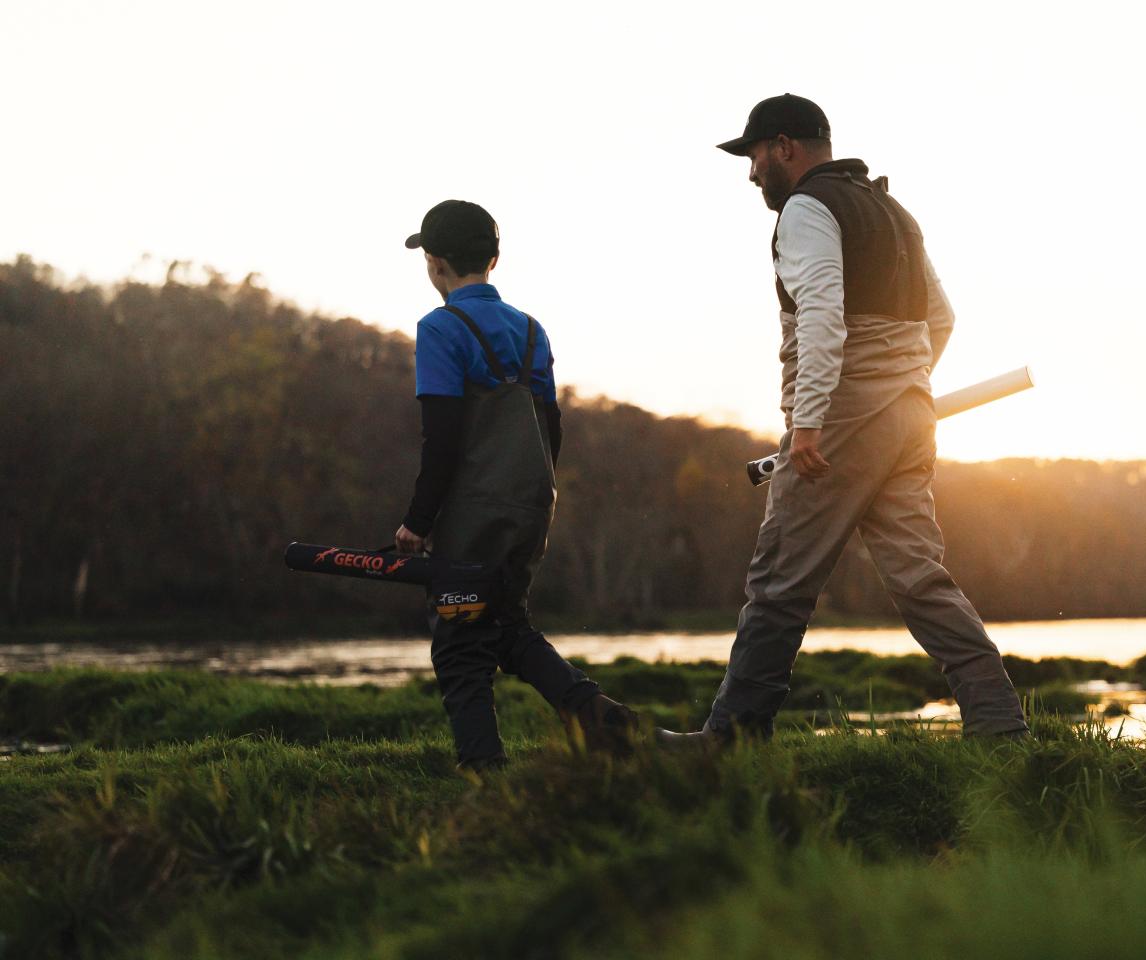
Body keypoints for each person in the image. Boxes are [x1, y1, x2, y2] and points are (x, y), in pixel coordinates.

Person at [660, 95, 1029, 745]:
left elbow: (823, 313)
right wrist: (904, 388)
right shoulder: (893, 211)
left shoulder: (806, 208)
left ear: (784, 147)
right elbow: (940, 319)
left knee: (778, 579)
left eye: (753, 157)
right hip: (909, 417)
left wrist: (810, 422)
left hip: (835, 422)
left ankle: (732, 738)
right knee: (919, 577)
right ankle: (999, 725)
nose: (751, 175)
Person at [396, 199, 637, 771]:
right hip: (531, 506)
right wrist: (537, 501)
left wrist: (418, 522)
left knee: (460, 646)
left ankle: (484, 772)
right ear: (494, 258)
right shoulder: (532, 330)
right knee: (504, 623)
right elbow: (550, 429)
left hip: (471, 515)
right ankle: (596, 716)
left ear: (434, 263)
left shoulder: (440, 328)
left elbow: (443, 439)